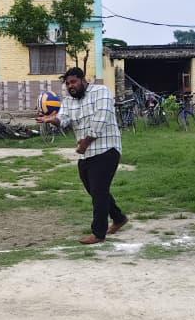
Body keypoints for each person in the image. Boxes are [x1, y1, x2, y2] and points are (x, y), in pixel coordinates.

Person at [37, 67, 128, 244]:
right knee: (95, 190)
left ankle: (98, 233)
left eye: (73, 82)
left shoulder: (101, 92)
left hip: (107, 148)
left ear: (83, 80)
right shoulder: (68, 101)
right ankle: (119, 218)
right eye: (67, 84)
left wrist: (85, 142)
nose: (70, 86)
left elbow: (101, 118)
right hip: (86, 154)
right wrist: (53, 120)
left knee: (99, 191)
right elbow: (63, 119)